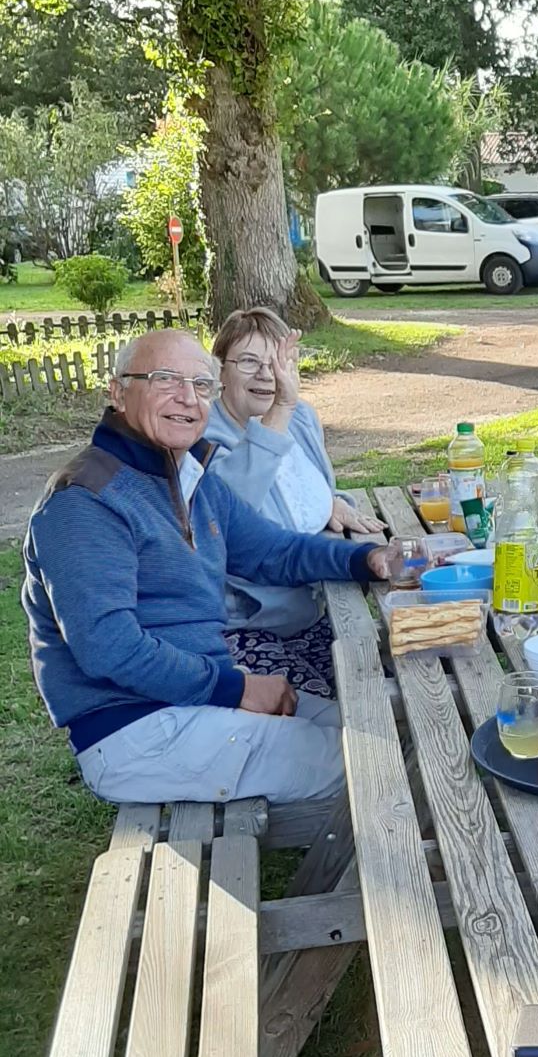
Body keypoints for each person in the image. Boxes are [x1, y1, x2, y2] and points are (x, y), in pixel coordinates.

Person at [22, 327, 394, 807]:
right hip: (135, 730)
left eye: (201, 385)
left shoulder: (186, 478)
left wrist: (371, 558)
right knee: (376, 767)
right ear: (118, 392)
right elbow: (109, 649)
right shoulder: (85, 501)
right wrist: (236, 688)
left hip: (192, 704)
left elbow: (274, 551)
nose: (187, 398)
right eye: (165, 380)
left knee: (374, 724)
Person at [203, 306, 383, 697]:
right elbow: (231, 511)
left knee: (380, 682)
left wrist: (332, 501)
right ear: (220, 371)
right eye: (249, 362)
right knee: (345, 710)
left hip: (316, 609)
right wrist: (280, 410)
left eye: (278, 362)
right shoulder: (203, 438)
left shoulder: (301, 417)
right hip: (250, 626)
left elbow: (303, 489)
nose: (267, 375)